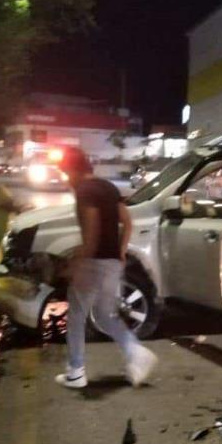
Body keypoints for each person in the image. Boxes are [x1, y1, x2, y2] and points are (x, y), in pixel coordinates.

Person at [56, 147, 158, 389]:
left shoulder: (84, 191)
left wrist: (78, 265)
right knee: (104, 315)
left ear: (73, 170)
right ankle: (136, 352)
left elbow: (91, 234)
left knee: (77, 316)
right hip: (112, 262)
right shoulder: (108, 187)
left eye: (65, 172)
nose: (65, 178)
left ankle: (76, 371)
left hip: (94, 263)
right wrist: (121, 251)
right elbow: (127, 221)